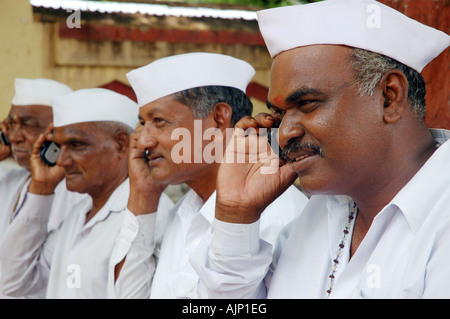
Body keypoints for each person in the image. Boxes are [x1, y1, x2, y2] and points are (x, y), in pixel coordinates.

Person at [191, 0, 450, 299]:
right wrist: (236, 216)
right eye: (279, 114)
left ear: (389, 97)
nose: (285, 132)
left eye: (307, 104)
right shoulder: (320, 214)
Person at [109, 52, 309, 298]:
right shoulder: (184, 211)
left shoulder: (276, 216)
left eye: (158, 121)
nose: (143, 140)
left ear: (218, 119)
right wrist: (142, 197)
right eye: (142, 123)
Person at [0, 88, 174, 298]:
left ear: (121, 144)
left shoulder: (152, 214)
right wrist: (41, 188)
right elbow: (13, 283)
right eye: (59, 147)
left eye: (76, 145)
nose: (62, 161)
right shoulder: (78, 215)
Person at [0, 78, 86, 299]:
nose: (15, 136)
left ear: (59, 132)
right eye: (11, 124)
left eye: (28, 125)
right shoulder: (10, 177)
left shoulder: (78, 189)